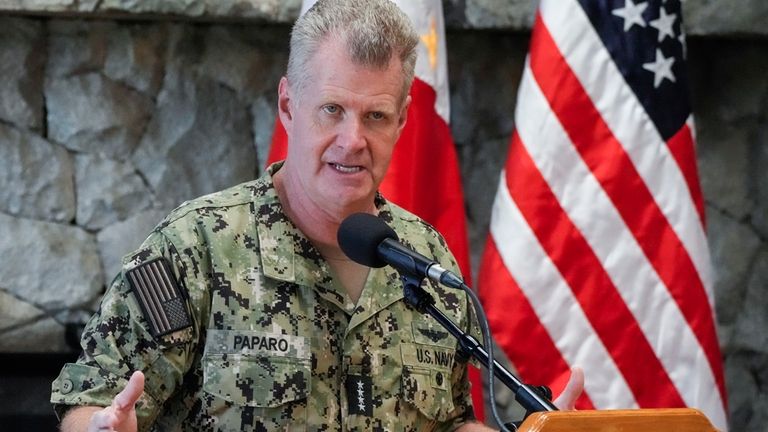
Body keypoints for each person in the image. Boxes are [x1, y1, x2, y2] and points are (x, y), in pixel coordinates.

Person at [51, 0, 583, 430]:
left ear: (401, 122)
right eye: (332, 110)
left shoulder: (426, 259)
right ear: (288, 106)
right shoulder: (194, 247)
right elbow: (92, 399)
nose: (352, 141)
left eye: (375, 116)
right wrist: (99, 427)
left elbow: (450, 421)